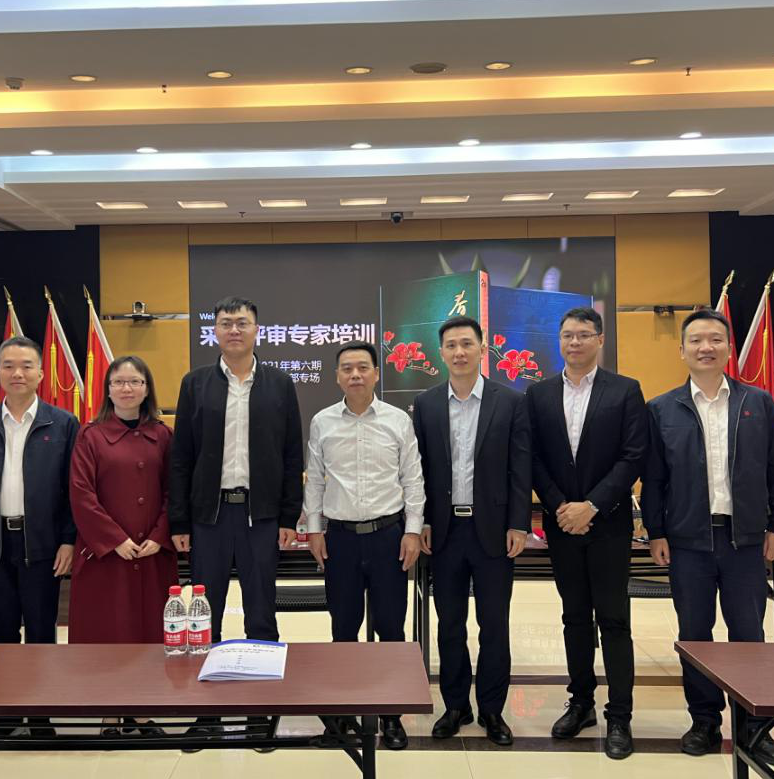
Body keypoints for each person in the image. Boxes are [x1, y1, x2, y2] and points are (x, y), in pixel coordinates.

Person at [641, 308, 774, 767]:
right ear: (682, 350)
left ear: (729, 348)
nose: (705, 347)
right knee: (695, 635)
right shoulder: (662, 408)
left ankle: (753, 726)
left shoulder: (757, 402)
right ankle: (704, 721)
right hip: (687, 540)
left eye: (714, 339)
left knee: (748, 633)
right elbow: (654, 479)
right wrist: (656, 532)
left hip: (744, 539)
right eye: (695, 340)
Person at [527, 307, 647, 759]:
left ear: (599, 339)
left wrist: (592, 505)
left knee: (614, 619)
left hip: (608, 524)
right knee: (574, 617)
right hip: (561, 524)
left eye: (582, 335)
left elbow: (633, 456)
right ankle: (581, 704)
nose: (574, 342)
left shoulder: (625, 390)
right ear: (559, 341)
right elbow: (532, 457)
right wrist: (560, 506)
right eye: (567, 335)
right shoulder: (538, 394)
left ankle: (620, 716)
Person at [0, 335, 78, 743]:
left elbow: (73, 490)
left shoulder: (63, 424)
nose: (17, 373)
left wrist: (68, 540)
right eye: (8, 365)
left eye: (26, 365)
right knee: (1, 631)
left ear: (41, 373)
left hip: (42, 544)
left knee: (41, 630)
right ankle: (5, 712)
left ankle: (41, 714)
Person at [412, 316, 531, 747]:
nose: (459, 352)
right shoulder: (426, 404)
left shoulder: (510, 401)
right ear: (441, 353)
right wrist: (423, 521)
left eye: (467, 343)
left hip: (494, 530)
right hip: (444, 532)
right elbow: (419, 471)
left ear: (482, 349)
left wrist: (519, 523)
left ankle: (493, 709)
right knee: (450, 624)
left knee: (494, 624)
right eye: (451, 345)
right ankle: (455, 705)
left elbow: (521, 467)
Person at [304, 341, 426, 751]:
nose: (355, 374)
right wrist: (314, 530)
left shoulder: (397, 421)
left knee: (391, 627)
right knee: (343, 627)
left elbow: (413, 480)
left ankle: (390, 714)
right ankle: (343, 711)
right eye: (347, 368)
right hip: (339, 539)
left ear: (376, 373)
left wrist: (413, 531)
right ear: (337, 376)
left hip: (388, 536)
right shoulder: (322, 422)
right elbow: (315, 480)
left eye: (362, 367)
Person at [169, 296, 303, 643]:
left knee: (261, 610)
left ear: (257, 330)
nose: (234, 330)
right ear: (214, 331)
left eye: (242, 323)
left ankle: (262, 672)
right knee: (205, 610)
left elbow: (291, 455)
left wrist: (289, 517)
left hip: (261, 515)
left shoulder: (280, 383)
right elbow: (181, 457)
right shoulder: (195, 383)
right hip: (209, 516)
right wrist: (179, 521)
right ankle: (204, 672)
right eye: (226, 323)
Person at [70, 355, 176, 738]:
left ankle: (144, 712)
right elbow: (81, 493)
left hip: (151, 555)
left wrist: (159, 536)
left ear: (147, 389)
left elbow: (175, 491)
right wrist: (115, 540)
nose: (127, 388)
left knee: (149, 632)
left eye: (135, 382)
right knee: (109, 632)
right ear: (108, 389)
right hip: (105, 557)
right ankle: (110, 713)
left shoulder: (163, 435)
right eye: (119, 382)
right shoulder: (90, 435)